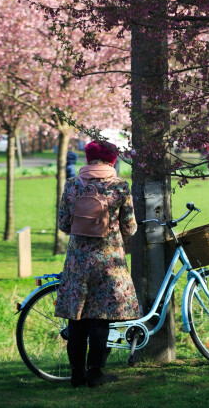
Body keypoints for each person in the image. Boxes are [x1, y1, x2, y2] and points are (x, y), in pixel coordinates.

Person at [55, 140, 140, 388]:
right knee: (101, 316)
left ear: (88, 156)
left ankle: (76, 374)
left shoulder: (72, 185)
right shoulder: (120, 186)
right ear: (113, 159)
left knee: (77, 317)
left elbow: (63, 224)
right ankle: (95, 373)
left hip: (77, 261)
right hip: (108, 261)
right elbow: (130, 227)